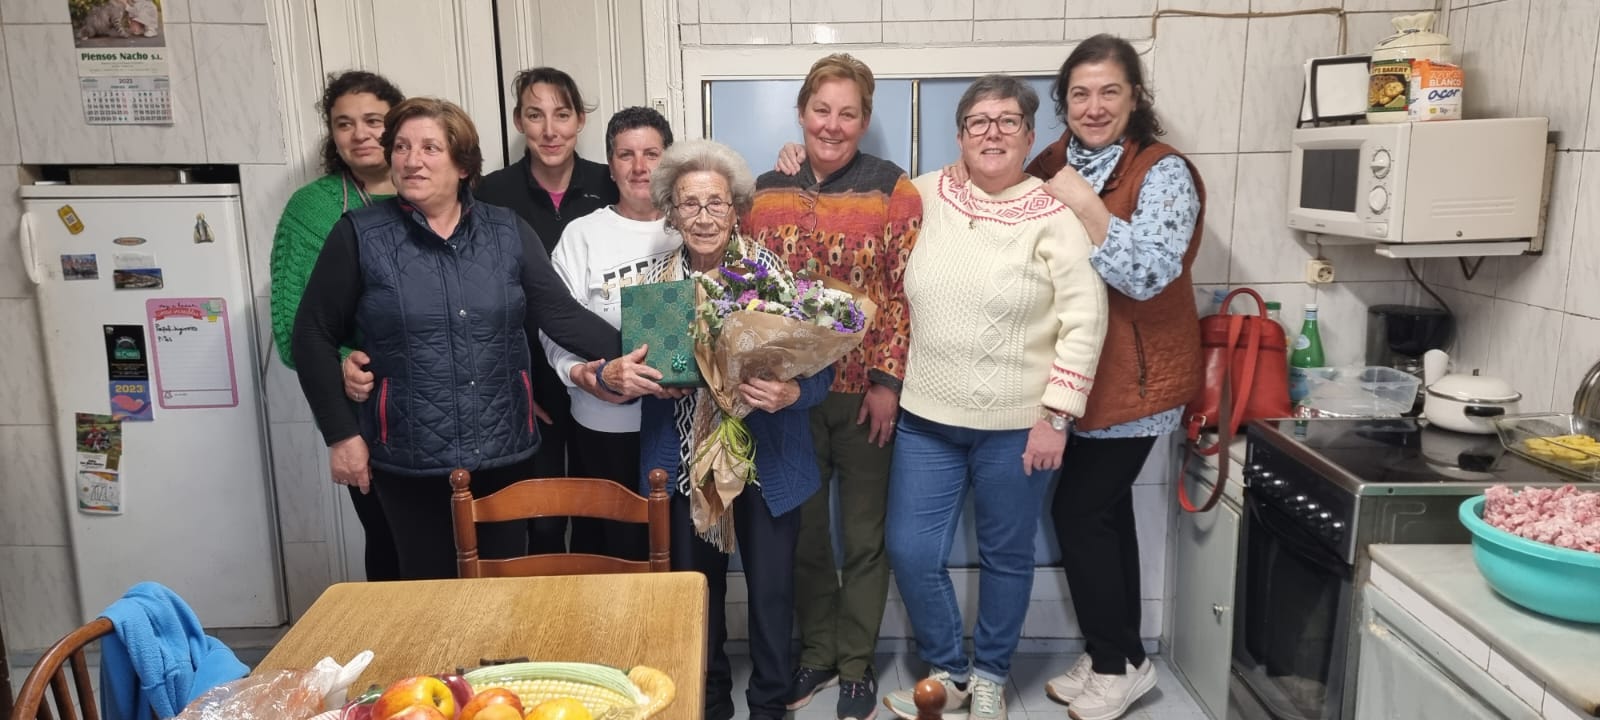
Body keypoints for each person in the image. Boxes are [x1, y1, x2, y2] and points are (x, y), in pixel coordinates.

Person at [291, 97, 621, 581]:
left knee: (501, 590)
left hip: (504, 452)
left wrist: (649, 357)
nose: (411, 160)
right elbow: (311, 334)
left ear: (463, 164)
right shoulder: (360, 235)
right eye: (401, 147)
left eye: (429, 148)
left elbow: (561, 316)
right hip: (408, 460)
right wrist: (341, 435)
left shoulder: (507, 231)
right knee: (429, 595)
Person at [882, 75, 1108, 720]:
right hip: (926, 419)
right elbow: (863, 229)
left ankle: (989, 676)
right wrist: (795, 163)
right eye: (978, 121)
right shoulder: (923, 193)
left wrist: (1057, 417)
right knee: (911, 549)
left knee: (1007, 555)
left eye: (1008, 121)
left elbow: (1085, 319)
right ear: (959, 135)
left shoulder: (1055, 214)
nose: (992, 133)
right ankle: (947, 671)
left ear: (1029, 137)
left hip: (1019, 424)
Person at [1030, 35, 1205, 720]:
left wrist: (1087, 204)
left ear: (1135, 98)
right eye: (1080, 93)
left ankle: (1112, 664)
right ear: (1063, 101)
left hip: (1135, 382)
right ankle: (1122, 654)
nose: (1094, 106)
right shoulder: (1050, 162)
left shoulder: (1163, 172)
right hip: (1074, 377)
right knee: (1101, 513)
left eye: (1110, 91)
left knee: (1078, 512)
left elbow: (1149, 273)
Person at [636, 139, 833, 720]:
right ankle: (711, 702)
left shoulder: (772, 278)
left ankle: (769, 705)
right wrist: (644, 379)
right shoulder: (655, 285)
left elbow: (821, 369)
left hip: (765, 462)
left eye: (715, 203)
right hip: (685, 464)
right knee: (699, 595)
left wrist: (792, 393)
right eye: (689, 203)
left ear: (736, 209)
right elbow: (635, 375)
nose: (703, 217)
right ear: (671, 212)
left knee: (772, 594)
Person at [751, 53, 920, 719]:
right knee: (806, 535)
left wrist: (887, 382)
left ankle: (855, 665)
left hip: (861, 395)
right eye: (821, 109)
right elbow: (750, 288)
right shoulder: (767, 190)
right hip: (789, 398)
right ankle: (818, 652)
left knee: (863, 536)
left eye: (848, 113)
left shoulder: (893, 190)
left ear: (865, 120)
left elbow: (904, 294)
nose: (832, 124)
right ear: (801, 112)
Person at [476, 67, 621, 553]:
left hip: (602, 373)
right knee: (540, 520)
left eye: (562, 115)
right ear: (519, 121)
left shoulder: (610, 182)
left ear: (580, 120)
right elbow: (482, 301)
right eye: (535, 115)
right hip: (528, 382)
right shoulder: (491, 194)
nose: (550, 130)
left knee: (601, 511)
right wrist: (512, 388)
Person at [268, 69, 405, 582]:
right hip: (364, 408)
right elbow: (293, 329)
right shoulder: (313, 209)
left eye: (373, 120)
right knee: (388, 537)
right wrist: (344, 358)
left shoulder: (432, 191)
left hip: (443, 402)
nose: (360, 134)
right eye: (344, 124)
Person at [538, 106, 679, 560]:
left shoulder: (692, 228)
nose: (640, 167)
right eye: (626, 155)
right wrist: (576, 374)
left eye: (652, 154)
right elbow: (553, 325)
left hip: (680, 425)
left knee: (675, 551)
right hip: (604, 425)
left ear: (669, 160)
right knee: (615, 552)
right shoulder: (582, 235)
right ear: (611, 165)